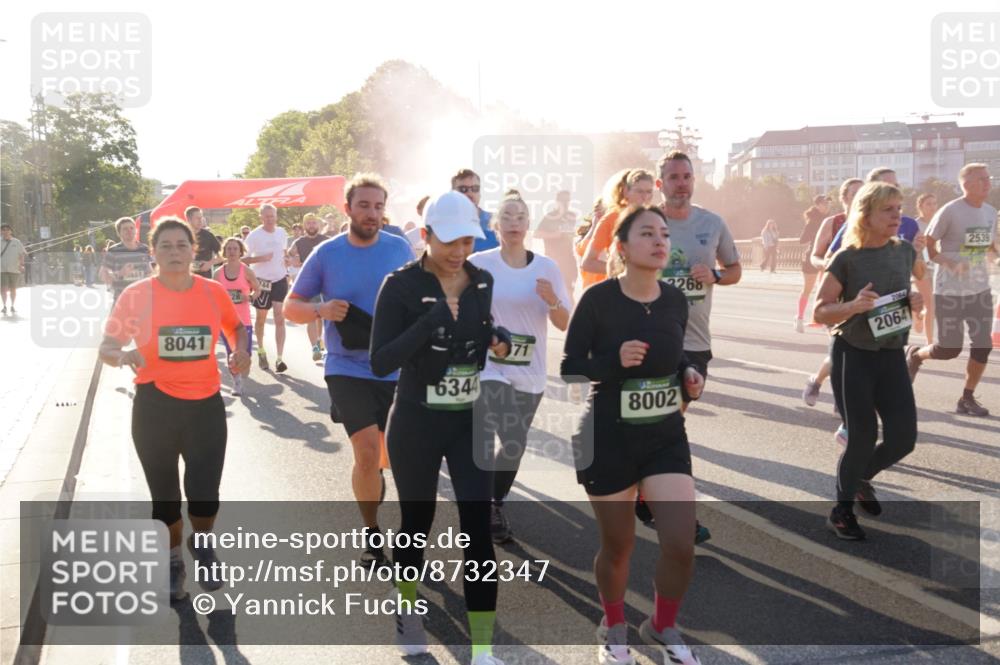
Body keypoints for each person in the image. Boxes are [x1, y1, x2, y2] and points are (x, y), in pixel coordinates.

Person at [370, 190, 511, 664]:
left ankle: (484, 648)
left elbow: (485, 327)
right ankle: (408, 613)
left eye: (468, 241)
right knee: (417, 524)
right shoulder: (400, 285)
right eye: (449, 241)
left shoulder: (482, 280)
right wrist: (429, 321)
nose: (458, 252)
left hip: (468, 418)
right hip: (415, 421)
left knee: (478, 530)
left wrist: (500, 338)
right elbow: (380, 360)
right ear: (425, 236)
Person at [562, 205, 704, 665]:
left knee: (681, 544)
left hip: (664, 434)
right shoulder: (599, 299)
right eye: (647, 233)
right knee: (619, 546)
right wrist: (613, 359)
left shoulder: (674, 300)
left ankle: (661, 625)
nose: (660, 241)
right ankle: (614, 623)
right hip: (608, 437)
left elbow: (675, 355)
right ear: (621, 247)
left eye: (664, 233)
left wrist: (689, 374)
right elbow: (570, 368)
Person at [98, 217, 251, 600]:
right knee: (164, 497)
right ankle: (172, 561)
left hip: (205, 408)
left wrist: (241, 350)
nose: (174, 252)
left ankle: (202, 542)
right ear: (153, 252)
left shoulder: (212, 292)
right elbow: (106, 347)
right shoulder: (136, 295)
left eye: (181, 245)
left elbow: (236, 327)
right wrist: (124, 356)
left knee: (204, 495)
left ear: (193, 250)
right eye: (165, 246)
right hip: (155, 408)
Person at [286, 174, 414, 566]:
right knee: (365, 453)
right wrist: (321, 310)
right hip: (345, 367)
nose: (372, 213)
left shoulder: (400, 248)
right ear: (348, 209)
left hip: (394, 368)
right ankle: (372, 532)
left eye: (378, 206)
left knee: (391, 458)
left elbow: (420, 299)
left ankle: (376, 485)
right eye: (364, 206)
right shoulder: (326, 253)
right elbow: (292, 308)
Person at [813, 182, 924, 540]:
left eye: (899, 208)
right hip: (853, 355)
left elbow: (912, 288)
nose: (898, 215)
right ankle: (841, 509)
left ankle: (861, 478)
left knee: (903, 438)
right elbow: (821, 310)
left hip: (891, 354)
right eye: (888, 210)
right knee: (861, 436)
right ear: (867, 214)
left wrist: (915, 300)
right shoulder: (847, 258)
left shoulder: (904, 251)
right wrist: (854, 305)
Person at [469, 190, 571, 544]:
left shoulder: (546, 268)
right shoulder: (480, 263)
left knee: (513, 444)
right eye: (507, 216)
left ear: (529, 225)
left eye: (520, 217)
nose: (514, 223)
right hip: (491, 367)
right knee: (512, 435)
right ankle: (492, 507)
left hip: (531, 369)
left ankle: (491, 500)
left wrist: (552, 300)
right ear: (496, 224)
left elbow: (563, 322)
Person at [906, 164, 997, 416]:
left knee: (982, 345)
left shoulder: (990, 212)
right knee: (948, 349)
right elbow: (929, 248)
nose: (987, 183)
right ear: (966, 184)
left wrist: (995, 255)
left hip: (979, 290)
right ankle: (915, 355)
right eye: (981, 179)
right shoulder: (950, 211)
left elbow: (987, 246)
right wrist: (952, 263)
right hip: (949, 292)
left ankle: (966, 398)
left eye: (988, 179)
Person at [801, 178, 864, 420]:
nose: (860, 197)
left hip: (863, 295)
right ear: (844, 198)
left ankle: (816, 380)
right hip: (834, 295)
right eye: (855, 193)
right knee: (843, 349)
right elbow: (815, 257)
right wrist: (829, 265)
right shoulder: (834, 222)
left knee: (850, 351)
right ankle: (842, 401)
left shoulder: (873, 221)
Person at [580, 170, 655, 290]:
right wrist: (623, 270)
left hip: (649, 288)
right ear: (626, 192)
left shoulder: (656, 218)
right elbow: (588, 263)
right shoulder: (612, 218)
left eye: (649, 192)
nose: (645, 197)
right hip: (620, 289)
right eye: (639, 191)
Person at [242, 204, 289, 372]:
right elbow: (244, 260)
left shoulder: (282, 232)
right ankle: (261, 351)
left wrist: (287, 261)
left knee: (279, 317)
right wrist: (261, 258)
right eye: (266, 216)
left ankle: (279, 358)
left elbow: (284, 253)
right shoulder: (254, 236)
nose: (270, 219)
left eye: (272, 216)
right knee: (261, 319)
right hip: (261, 282)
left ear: (276, 216)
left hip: (280, 279)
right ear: (261, 217)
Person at [215, 237, 259, 395]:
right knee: (231, 353)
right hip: (226, 321)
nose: (232, 252)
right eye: (229, 249)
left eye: (235, 249)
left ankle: (242, 372)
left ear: (241, 251)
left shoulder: (246, 270)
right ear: (224, 252)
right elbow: (213, 296)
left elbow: (257, 289)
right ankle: (237, 382)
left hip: (244, 319)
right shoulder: (218, 273)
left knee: (244, 353)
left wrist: (250, 297)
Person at [289, 212, 331, 361]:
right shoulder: (299, 242)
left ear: (318, 225)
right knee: (312, 316)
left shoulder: (326, 240)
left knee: (323, 316)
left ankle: (319, 342)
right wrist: (293, 260)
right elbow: (288, 256)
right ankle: (315, 348)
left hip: (326, 283)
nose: (311, 226)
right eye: (308, 223)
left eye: (314, 223)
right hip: (308, 283)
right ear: (304, 225)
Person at [795, 195, 831, 332]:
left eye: (828, 203)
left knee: (823, 290)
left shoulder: (830, 220)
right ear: (817, 205)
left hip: (825, 258)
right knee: (808, 289)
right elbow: (802, 240)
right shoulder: (812, 221)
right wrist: (817, 235)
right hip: (811, 258)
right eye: (824, 203)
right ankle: (799, 318)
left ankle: (821, 320)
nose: (826, 205)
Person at [534, 190, 579, 294]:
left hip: (568, 260)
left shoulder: (571, 215)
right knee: (553, 292)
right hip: (553, 260)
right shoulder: (550, 216)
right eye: (563, 200)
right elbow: (536, 234)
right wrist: (554, 235)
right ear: (557, 201)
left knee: (569, 292)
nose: (565, 203)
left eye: (567, 200)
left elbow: (571, 234)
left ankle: (570, 310)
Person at [100, 217, 153, 303]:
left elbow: (149, 271)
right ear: (119, 233)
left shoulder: (144, 249)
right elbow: (103, 276)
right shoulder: (113, 251)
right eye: (125, 229)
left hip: (142, 300)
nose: (129, 231)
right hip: (121, 300)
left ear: (135, 230)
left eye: (132, 228)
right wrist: (121, 273)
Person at [911, 193, 938, 341]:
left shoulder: (939, 223)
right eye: (929, 204)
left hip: (938, 267)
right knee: (930, 302)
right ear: (920, 206)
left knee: (932, 303)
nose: (933, 207)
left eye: (934, 204)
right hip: (919, 267)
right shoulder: (915, 225)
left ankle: (919, 313)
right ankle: (930, 342)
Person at [452, 168, 499, 252]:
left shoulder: (495, 221)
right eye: (463, 189)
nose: (470, 194)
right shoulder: (446, 224)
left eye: (475, 188)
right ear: (452, 193)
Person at [187, 206, 222, 279]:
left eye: (201, 217)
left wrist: (210, 263)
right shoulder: (181, 235)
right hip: (185, 278)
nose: (200, 220)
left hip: (205, 278)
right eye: (197, 218)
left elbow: (222, 255)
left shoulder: (208, 235)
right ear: (189, 219)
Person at [1, 224, 27, 315]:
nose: (5, 231)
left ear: (11, 231)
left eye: (7, 229)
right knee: (3, 288)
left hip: (14, 269)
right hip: (2, 269)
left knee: (13, 289)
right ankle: (4, 306)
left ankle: (12, 305)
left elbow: (21, 254)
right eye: (3, 230)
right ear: (1, 232)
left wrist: (21, 265)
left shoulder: (17, 242)